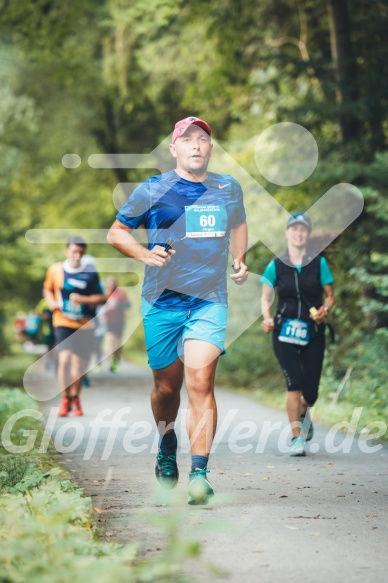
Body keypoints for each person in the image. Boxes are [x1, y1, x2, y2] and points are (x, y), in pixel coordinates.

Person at [107, 116, 248, 505]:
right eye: (188, 140)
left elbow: (238, 224)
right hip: (162, 302)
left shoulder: (227, 188)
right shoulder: (153, 189)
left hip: (208, 300)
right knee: (166, 388)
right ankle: (166, 444)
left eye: (203, 139)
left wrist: (239, 259)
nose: (196, 145)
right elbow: (117, 232)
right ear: (174, 149)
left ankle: (200, 473)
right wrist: (144, 253)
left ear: (210, 148)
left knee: (201, 384)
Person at [260, 213, 335, 456]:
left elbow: (330, 295)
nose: (298, 233)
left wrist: (325, 309)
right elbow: (266, 297)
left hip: (313, 331)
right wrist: (267, 318)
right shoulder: (276, 264)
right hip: (284, 332)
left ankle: (304, 411)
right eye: (294, 229)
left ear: (308, 234)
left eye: (303, 229)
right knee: (294, 385)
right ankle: (296, 439)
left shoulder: (318, 263)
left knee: (310, 392)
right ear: (287, 233)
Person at [43, 236, 105, 416]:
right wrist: (52, 301)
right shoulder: (55, 270)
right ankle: (64, 399)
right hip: (62, 320)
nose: (76, 255)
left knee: (79, 366)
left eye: (80, 252)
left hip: (85, 323)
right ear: (66, 251)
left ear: (84, 253)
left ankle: (75, 397)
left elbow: (100, 297)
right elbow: (47, 288)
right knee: (65, 359)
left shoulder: (91, 272)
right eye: (73, 252)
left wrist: (83, 299)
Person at [103, 276, 131, 373]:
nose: (111, 285)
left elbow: (128, 305)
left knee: (118, 343)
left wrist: (118, 304)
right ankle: (111, 360)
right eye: (110, 283)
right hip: (109, 321)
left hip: (119, 321)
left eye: (113, 283)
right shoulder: (106, 293)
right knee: (110, 341)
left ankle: (116, 361)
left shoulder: (121, 293)